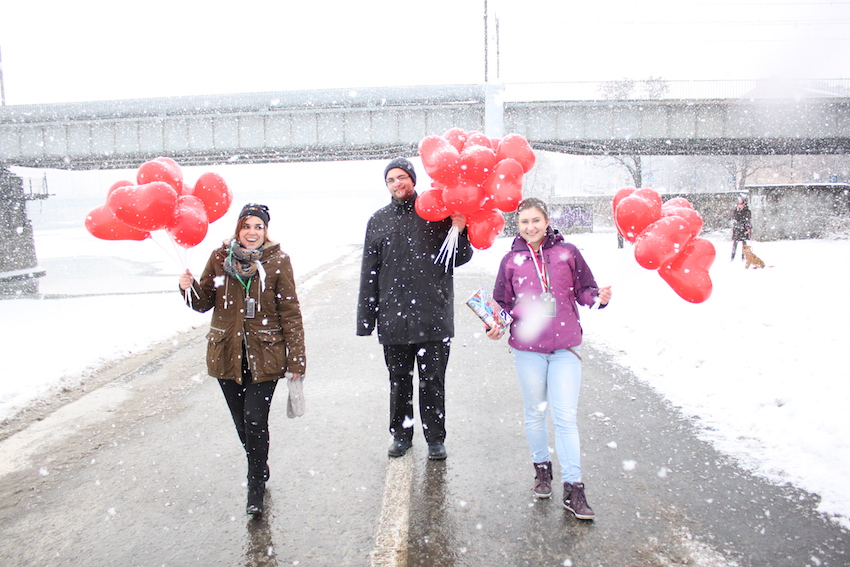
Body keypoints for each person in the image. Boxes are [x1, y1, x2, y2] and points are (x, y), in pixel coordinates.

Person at [486, 197, 611, 521]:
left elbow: (585, 290)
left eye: (536, 221)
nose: (530, 227)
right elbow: (502, 304)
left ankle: (574, 487)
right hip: (528, 350)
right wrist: (495, 326)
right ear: (517, 225)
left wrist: (598, 298)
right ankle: (542, 470)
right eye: (524, 222)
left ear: (546, 222)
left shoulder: (567, 252)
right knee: (535, 413)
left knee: (565, 418)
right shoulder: (511, 261)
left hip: (565, 349)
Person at [179, 203, 306, 517]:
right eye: (246, 226)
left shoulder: (278, 261)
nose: (252, 232)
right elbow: (203, 302)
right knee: (242, 424)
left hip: (266, 356)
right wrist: (187, 288)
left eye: (258, 227)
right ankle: (259, 464)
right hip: (227, 355)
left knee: (254, 420)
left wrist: (296, 362)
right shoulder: (220, 259)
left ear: (266, 231)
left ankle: (255, 486)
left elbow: (290, 314)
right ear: (238, 229)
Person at [356, 157, 473, 461]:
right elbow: (370, 272)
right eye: (391, 180)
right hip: (393, 319)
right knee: (399, 381)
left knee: (433, 381)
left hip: (433, 315)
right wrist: (366, 320)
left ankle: (435, 438)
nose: (397, 183)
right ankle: (401, 434)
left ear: (413, 179)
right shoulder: (378, 221)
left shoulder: (436, 213)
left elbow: (459, 258)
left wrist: (460, 231)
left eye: (402, 177)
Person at [731, 197, 752, 261]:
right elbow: (734, 219)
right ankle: (732, 257)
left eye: (740, 204)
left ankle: (743, 257)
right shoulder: (735, 211)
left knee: (744, 243)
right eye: (738, 204)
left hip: (744, 229)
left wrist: (747, 226)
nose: (739, 205)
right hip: (737, 229)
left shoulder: (747, 211)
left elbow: (747, 220)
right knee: (735, 244)